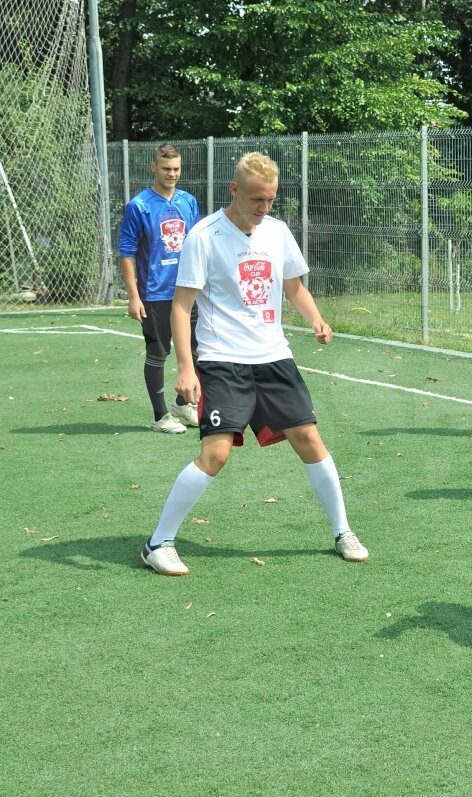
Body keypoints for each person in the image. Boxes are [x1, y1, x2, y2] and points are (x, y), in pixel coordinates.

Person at [139, 152, 367, 576]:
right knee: (216, 453)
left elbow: (293, 285)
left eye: (270, 200)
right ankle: (159, 542)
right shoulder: (204, 236)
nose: (264, 209)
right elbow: (181, 305)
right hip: (223, 359)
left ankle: (343, 531)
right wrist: (186, 368)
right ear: (234, 190)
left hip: (274, 356)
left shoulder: (278, 232)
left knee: (309, 438)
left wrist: (315, 318)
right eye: (257, 200)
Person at [118, 143, 202, 433]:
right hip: (155, 292)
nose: (172, 173)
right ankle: (160, 416)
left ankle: (183, 403)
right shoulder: (138, 206)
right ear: (153, 167)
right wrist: (133, 296)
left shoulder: (189, 202)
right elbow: (126, 252)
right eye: (166, 168)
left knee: (194, 349)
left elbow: (197, 244)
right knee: (158, 352)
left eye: (177, 168)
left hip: (188, 290)